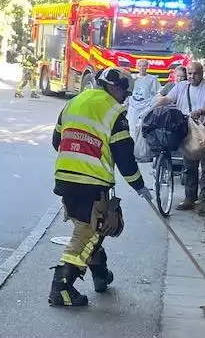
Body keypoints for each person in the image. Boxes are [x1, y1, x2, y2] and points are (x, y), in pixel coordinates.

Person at [49, 66, 152, 308]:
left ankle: (100, 274)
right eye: (125, 93)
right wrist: (139, 186)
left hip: (65, 179)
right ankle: (61, 289)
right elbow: (125, 157)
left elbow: (57, 141)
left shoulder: (74, 102)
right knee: (88, 233)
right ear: (115, 87)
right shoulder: (115, 112)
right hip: (92, 183)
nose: (125, 98)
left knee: (90, 228)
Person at [158, 60, 205, 213]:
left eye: (195, 73)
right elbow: (169, 99)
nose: (192, 76)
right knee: (189, 166)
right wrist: (161, 102)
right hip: (189, 132)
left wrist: (201, 112)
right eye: (189, 73)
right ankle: (190, 198)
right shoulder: (181, 86)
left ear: (202, 73)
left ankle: (204, 200)